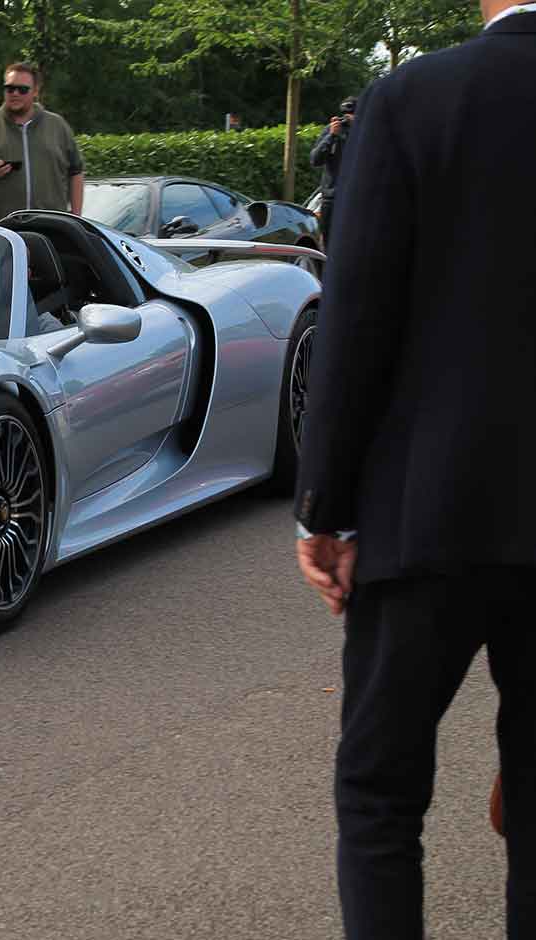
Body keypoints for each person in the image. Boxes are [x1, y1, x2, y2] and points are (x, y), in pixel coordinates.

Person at [293, 3, 536, 938]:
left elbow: (357, 313)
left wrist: (325, 507)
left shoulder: (412, 97)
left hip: (425, 511)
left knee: (381, 793)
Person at [0, 62, 85, 223]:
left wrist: (76, 218)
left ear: (35, 91)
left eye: (22, 89)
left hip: (49, 228)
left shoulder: (57, 126)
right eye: (10, 88)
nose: (15, 94)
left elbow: (76, 171)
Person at [309, 96, 357, 244]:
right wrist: (331, 136)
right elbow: (315, 160)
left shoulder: (367, 132)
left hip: (356, 198)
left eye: (353, 114)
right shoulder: (332, 131)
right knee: (330, 243)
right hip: (332, 198)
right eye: (345, 114)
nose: (348, 118)